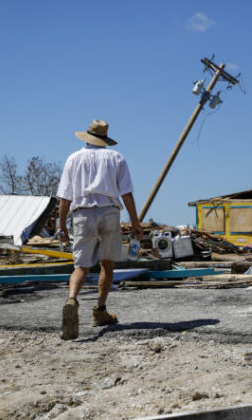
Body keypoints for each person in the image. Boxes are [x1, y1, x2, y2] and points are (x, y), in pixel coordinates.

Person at [56, 119, 144, 340]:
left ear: (87, 137)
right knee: (107, 264)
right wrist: (135, 222)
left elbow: (65, 197)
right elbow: (126, 193)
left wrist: (61, 225)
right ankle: (100, 311)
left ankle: (72, 300)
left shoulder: (73, 159)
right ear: (105, 139)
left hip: (82, 213)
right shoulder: (116, 157)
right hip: (109, 212)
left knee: (81, 266)